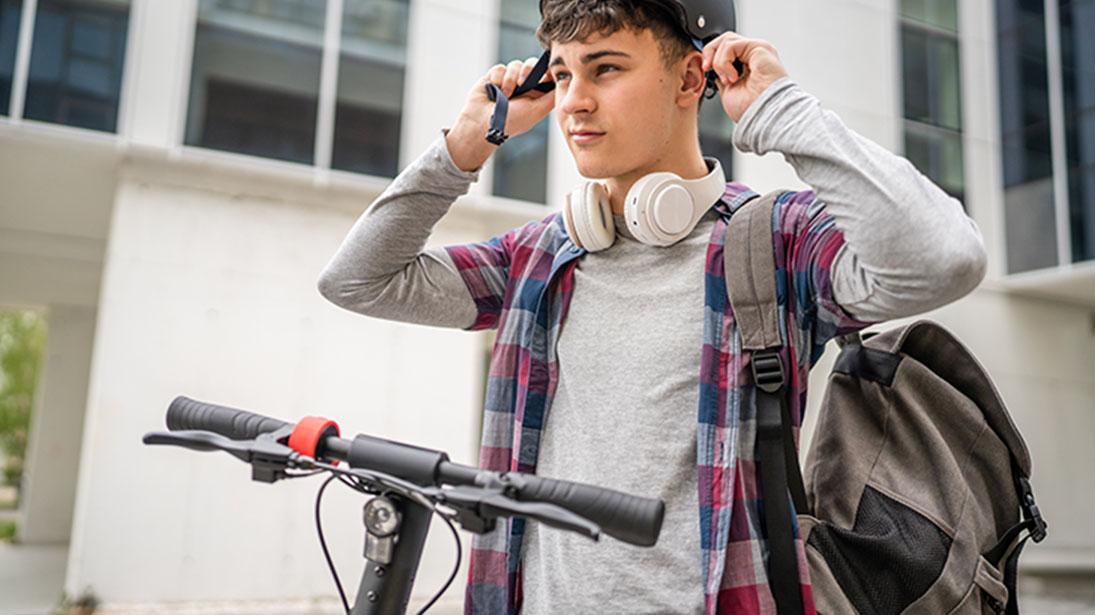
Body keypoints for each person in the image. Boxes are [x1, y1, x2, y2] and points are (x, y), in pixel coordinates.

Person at [317, 1, 987, 613]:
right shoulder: (541, 255)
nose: (575, 101)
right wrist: (463, 147)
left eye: (604, 69)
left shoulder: (771, 243)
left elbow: (942, 258)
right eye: (562, 75)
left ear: (691, 81)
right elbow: (357, 280)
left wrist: (780, 109)